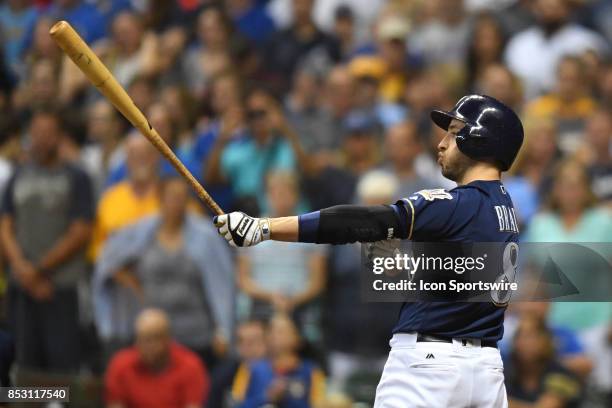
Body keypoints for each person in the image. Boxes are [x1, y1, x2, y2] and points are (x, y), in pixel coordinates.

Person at [214, 94, 524, 406]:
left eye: (454, 132)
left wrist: (265, 228)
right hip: (485, 372)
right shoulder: (505, 209)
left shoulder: (457, 203)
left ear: (480, 140)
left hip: (431, 366)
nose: (442, 143)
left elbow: (362, 221)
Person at [93, 177, 234, 366]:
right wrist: (132, 287)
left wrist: (223, 330)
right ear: (160, 199)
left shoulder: (205, 236)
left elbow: (221, 283)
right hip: (152, 334)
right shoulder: (142, 232)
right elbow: (109, 260)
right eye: (173, 197)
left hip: (195, 332)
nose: (179, 203)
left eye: (183, 197)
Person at [0, 109, 94, 373]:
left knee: (62, 371)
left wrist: (39, 270)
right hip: (22, 288)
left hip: (59, 288)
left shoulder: (77, 177)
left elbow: (80, 232)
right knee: (25, 367)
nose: (40, 139)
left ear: (60, 137)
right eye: (36, 133)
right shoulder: (18, 175)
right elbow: (5, 225)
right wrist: (22, 269)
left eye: (47, 134)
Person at [105, 308, 210, 408]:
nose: (146, 346)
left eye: (153, 339)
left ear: (167, 339)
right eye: (141, 339)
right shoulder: (121, 365)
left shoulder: (190, 366)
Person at [90, 132, 160, 260]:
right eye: (134, 155)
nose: (140, 160)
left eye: (145, 155)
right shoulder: (110, 199)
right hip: (117, 271)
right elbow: (98, 250)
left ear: (155, 157)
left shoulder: (171, 197)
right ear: (126, 160)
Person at [231, 313, 326, 407]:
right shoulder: (250, 369)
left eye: (281, 331)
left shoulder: (311, 371)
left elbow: (319, 404)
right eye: (271, 330)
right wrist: (267, 397)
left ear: (297, 338)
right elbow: (236, 404)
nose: (274, 336)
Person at [504, 315, 583, 407]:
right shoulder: (506, 372)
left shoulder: (562, 374)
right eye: (520, 336)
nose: (525, 343)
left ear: (546, 342)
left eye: (532, 337)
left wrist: (505, 403)